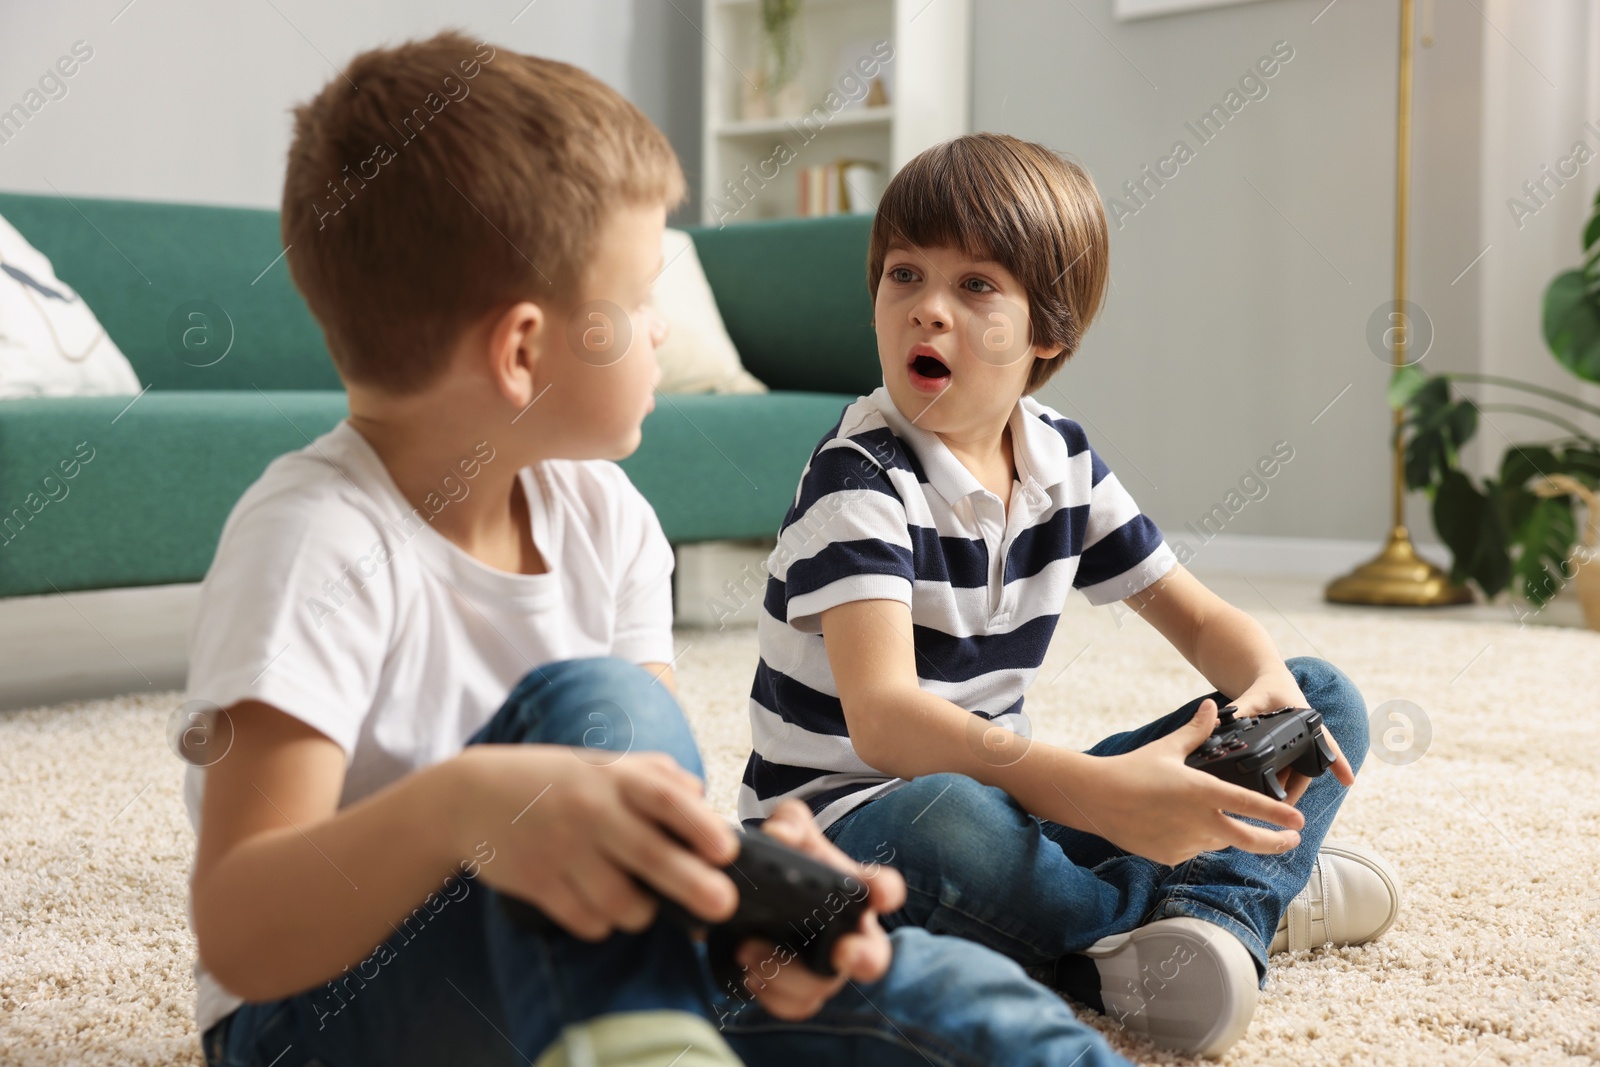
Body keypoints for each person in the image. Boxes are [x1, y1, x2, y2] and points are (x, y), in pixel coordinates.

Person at [184, 34, 1135, 1067]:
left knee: (942, 992)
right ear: (522, 349)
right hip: (328, 1013)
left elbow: (656, 823)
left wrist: (740, 883)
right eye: (643, 299)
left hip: (596, 975)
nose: (662, 325)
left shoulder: (612, 522)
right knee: (602, 704)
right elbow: (243, 925)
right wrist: (469, 808)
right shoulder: (314, 539)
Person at [738, 132, 1402, 1059]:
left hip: (1011, 794)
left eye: (975, 286)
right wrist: (1099, 793)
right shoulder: (860, 479)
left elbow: (1202, 617)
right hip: (856, 832)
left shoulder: (1061, 457)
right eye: (903, 275)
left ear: (1047, 331)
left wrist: (1257, 684)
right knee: (949, 820)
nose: (928, 309)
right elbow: (885, 724)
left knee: (1320, 695)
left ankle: (1203, 917)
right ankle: (1195, 915)